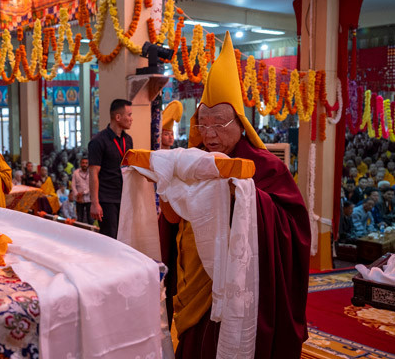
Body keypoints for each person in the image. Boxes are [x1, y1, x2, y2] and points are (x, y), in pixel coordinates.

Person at [163, 32, 310, 358]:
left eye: (219, 123)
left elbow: (293, 228)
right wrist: (166, 189)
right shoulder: (194, 160)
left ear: (241, 124)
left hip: (239, 284)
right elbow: (172, 221)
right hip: (195, 280)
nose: (210, 134)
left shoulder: (266, 167)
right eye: (204, 123)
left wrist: (243, 194)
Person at [89, 99, 134, 238]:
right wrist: (95, 203)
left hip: (124, 197)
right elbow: (93, 173)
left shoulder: (128, 140)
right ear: (118, 117)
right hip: (107, 198)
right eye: (129, 115)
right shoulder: (98, 141)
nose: (131, 119)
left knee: (124, 237)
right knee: (110, 237)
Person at [71, 157, 91, 224]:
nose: (84, 164)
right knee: (80, 218)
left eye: (86, 163)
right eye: (83, 163)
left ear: (88, 164)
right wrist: (77, 194)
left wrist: (84, 193)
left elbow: (92, 185)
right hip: (79, 198)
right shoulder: (76, 172)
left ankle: (91, 233)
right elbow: (73, 185)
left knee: (90, 218)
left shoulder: (91, 172)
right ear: (80, 164)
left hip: (89, 198)